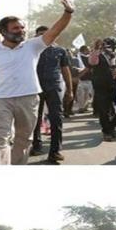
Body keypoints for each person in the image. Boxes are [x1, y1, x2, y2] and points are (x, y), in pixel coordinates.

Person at [0, 0, 74, 165]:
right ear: (4, 32)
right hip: (1, 100)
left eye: (22, 28)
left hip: (28, 99)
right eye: (16, 28)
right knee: (0, 138)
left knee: (24, 139)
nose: (21, 31)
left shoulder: (33, 46)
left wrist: (68, 12)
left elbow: (55, 31)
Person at [32, 26, 73, 164]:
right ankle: (36, 145)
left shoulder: (60, 51)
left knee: (56, 118)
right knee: (34, 118)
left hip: (54, 87)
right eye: (40, 35)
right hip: (34, 87)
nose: (44, 37)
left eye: (46, 34)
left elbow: (65, 70)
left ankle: (55, 151)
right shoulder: (30, 50)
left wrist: (70, 90)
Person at [89, 38, 116, 141]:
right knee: (104, 111)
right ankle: (107, 131)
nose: (112, 48)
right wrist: (96, 49)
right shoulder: (97, 55)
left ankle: (110, 127)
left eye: (114, 46)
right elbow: (92, 62)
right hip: (101, 86)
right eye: (109, 45)